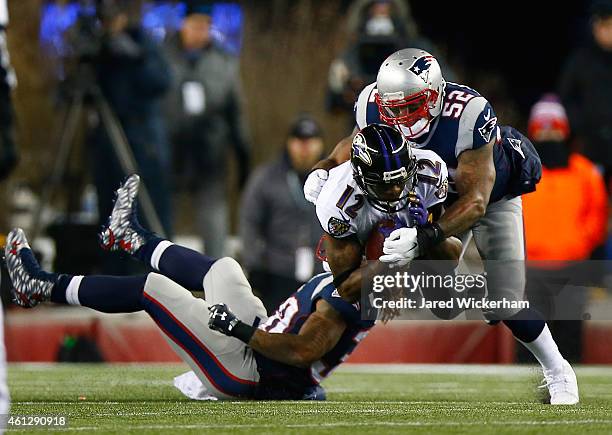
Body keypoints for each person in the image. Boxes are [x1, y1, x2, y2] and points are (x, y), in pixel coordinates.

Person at [304, 48, 579, 405]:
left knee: (506, 300)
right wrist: (323, 166)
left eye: (411, 106)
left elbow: (475, 201)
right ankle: (472, 288)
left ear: (434, 95)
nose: (401, 118)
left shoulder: (467, 113)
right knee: (442, 301)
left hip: (488, 196)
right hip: (430, 193)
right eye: (394, 110)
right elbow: (358, 143)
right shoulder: (371, 103)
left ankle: (558, 370)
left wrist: (424, 237)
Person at [6, 175, 373, 401]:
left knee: (153, 288)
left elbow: (302, 350)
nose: (327, 244)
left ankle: (38, 286)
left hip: (247, 373)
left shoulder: (349, 295)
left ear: (360, 253)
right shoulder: (349, 278)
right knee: (225, 270)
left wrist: (237, 328)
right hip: (258, 345)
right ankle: (131, 238)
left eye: (341, 239)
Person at [521, 94, 607, 362]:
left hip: (572, 268)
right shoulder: (520, 170)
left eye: (553, 125)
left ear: (564, 129)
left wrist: (579, 242)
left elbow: (598, 215)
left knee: (569, 339)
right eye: (542, 126)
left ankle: (569, 395)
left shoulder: (585, 172)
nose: (547, 133)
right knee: (529, 340)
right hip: (530, 269)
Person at [163, 2, 250, 257]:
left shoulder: (224, 61)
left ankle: (216, 274)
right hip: (169, 149)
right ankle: (158, 272)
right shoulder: (162, 55)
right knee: (160, 215)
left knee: (213, 219)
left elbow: (236, 110)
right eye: (195, 25)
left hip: (210, 152)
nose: (201, 32)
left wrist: (243, 152)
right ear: (183, 24)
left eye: (206, 26)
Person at [91, 3, 173, 254]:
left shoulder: (142, 42)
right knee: (112, 209)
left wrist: (137, 58)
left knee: (147, 212)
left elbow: (162, 80)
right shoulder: (100, 47)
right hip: (108, 139)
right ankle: (113, 270)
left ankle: (155, 267)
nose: (109, 27)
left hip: (142, 140)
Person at [240, 115, 325, 313]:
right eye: (299, 141)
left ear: (321, 144)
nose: (305, 148)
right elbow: (249, 222)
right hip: (278, 272)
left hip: (322, 272)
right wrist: (254, 265)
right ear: (288, 143)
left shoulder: (336, 178)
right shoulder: (266, 178)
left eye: (311, 141)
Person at [559, 0, 612, 185]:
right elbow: (566, 98)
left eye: (610, 25)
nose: (606, 31)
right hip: (591, 145)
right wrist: (582, 126)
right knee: (591, 194)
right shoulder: (580, 61)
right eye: (602, 25)